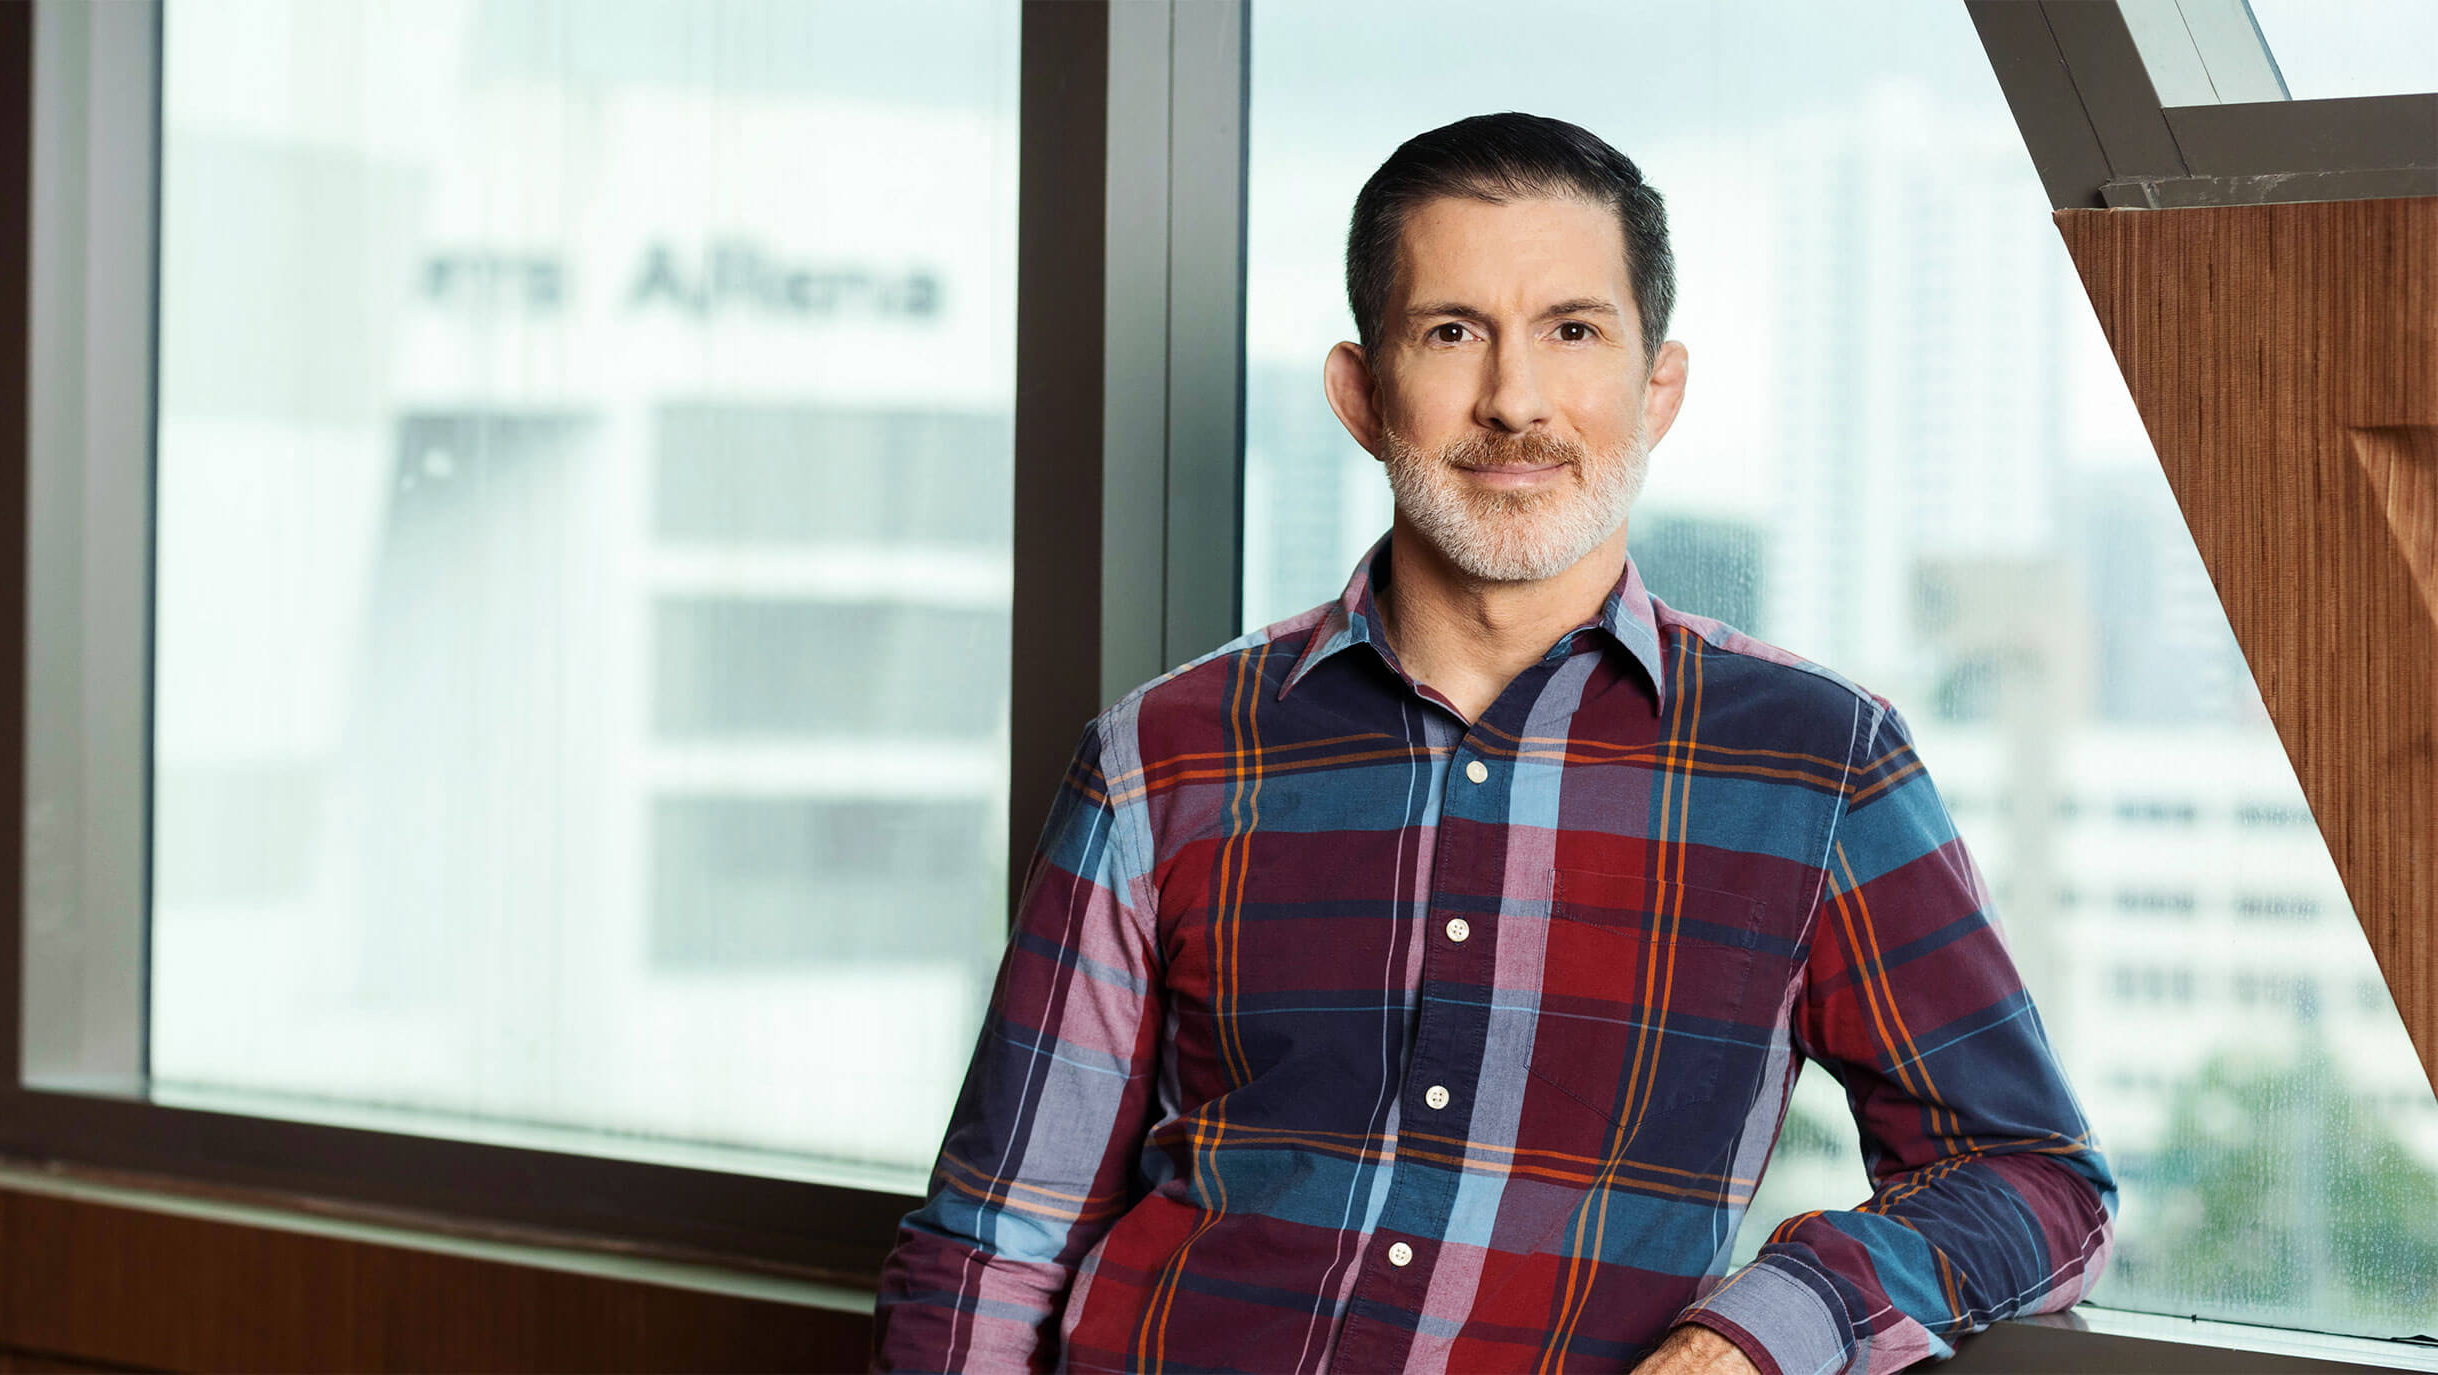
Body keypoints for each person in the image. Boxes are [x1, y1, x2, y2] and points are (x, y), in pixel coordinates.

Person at [871, 112, 2114, 1375]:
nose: (1513, 399)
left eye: (1573, 332)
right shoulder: (1162, 756)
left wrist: (1753, 1338)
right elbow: (994, 1240)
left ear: (1657, 386)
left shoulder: (1816, 763)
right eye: (1451, 332)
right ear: (1361, 394)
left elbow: (2030, 1179)